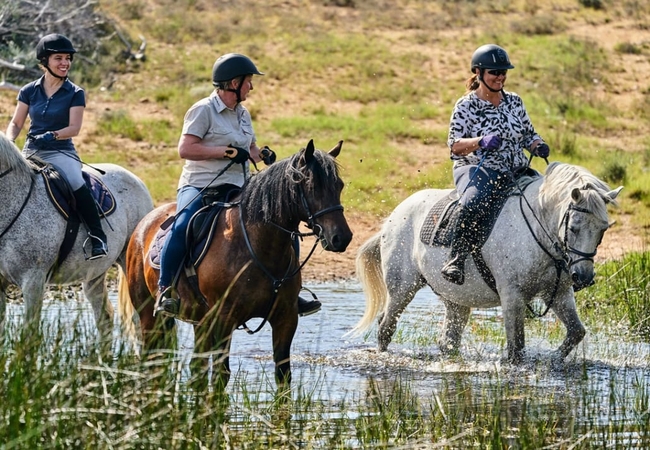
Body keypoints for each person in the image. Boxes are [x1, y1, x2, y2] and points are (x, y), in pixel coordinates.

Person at [155, 52, 322, 318]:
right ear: (233, 82)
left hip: (239, 186)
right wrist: (227, 152)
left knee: (284, 225)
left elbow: (250, 149)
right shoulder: (202, 110)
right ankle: (165, 291)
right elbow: (186, 149)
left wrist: (261, 154)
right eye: (248, 81)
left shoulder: (243, 114)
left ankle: (292, 291)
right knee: (183, 224)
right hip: (201, 185)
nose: (251, 87)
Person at [442, 43, 550, 285]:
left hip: (516, 170)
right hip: (477, 169)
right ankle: (456, 258)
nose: (500, 77)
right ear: (479, 73)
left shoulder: (514, 101)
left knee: (548, 197)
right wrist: (480, 141)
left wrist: (537, 145)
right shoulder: (466, 105)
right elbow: (454, 145)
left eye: (504, 72)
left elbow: (528, 134)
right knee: (473, 201)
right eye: (494, 72)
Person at [6, 33, 108, 260]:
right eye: (58, 58)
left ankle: (97, 236)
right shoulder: (28, 90)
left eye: (68, 58)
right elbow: (16, 122)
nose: (65, 63)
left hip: (61, 151)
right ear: (45, 62)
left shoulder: (75, 93)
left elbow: (74, 128)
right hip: (31, 151)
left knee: (75, 182)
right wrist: (10, 142)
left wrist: (52, 135)